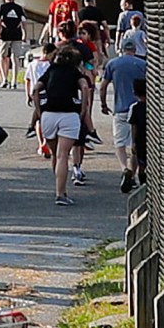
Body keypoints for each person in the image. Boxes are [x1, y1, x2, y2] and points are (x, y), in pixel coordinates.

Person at [32, 37, 93, 205]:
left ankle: (59, 186)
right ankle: (61, 193)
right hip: (68, 115)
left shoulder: (51, 70)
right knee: (63, 155)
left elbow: (35, 89)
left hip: (48, 114)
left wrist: (39, 110)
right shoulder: (74, 72)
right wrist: (83, 107)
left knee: (54, 154)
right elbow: (85, 86)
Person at [101, 39, 149, 194]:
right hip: (140, 108)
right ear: (135, 50)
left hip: (120, 107)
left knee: (120, 143)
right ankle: (133, 172)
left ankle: (125, 169)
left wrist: (103, 104)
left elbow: (103, 87)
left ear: (121, 49)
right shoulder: (142, 64)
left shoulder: (113, 64)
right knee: (135, 143)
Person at [0, 0, 31, 86]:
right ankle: (14, 80)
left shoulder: (1, 7)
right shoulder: (19, 8)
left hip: (5, 35)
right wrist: (24, 35)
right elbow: (23, 22)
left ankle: (4, 79)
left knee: (2, 56)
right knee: (15, 58)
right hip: (17, 35)